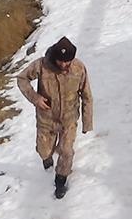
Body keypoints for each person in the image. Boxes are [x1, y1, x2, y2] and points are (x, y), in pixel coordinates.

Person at [16, 36, 94, 199]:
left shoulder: (79, 68)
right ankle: (47, 158)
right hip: (46, 119)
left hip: (68, 119)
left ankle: (61, 180)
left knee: (66, 151)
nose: (64, 65)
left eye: (67, 62)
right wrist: (35, 98)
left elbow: (87, 96)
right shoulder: (42, 65)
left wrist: (87, 122)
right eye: (60, 61)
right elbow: (22, 79)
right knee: (44, 150)